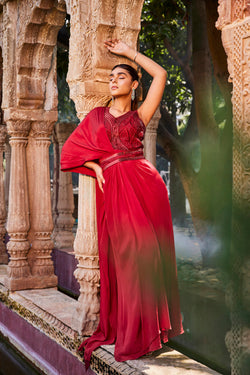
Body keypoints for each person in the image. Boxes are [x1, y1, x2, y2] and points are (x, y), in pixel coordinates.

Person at [61, 40, 184, 369]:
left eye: (121, 76)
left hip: (146, 188)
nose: (113, 80)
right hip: (115, 191)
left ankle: (144, 336)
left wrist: (130, 53)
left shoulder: (140, 113)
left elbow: (161, 73)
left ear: (133, 84)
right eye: (111, 77)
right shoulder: (97, 117)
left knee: (147, 258)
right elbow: (70, 153)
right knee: (126, 260)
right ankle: (132, 335)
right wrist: (97, 166)